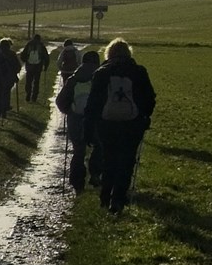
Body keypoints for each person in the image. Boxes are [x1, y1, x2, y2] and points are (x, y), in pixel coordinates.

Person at [83, 38, 157, 212]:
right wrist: (144, 117)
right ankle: (118, 199)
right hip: (132, 125)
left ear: (109, 53)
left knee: (109, 160)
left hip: (106, 125)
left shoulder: (102, 72)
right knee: (127, 162)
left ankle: (105, 197)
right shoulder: (139, 72)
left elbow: (92, 104)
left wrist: (88, 129)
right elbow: (149, 98)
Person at [60, 45, 102, 191]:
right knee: (99, 146)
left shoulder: (73, 79)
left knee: (78, 151)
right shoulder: (101, 78)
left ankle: (77, 182)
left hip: (75, 119)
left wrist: (68, 111)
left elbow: (60, 101)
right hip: (96, 120)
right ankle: (95, 173)